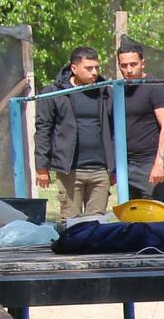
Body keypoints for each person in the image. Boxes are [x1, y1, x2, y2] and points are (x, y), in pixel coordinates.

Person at [34, 46, 115, 218]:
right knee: (71, 223)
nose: (94, 72)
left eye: (96, 67)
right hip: (70, 170)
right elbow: (43, 128)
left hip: (100, 170)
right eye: (88, 68)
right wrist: (42, 167)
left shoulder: (105, 91)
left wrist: (114, 168)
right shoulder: (55, 92)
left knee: (97, 224)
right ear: (74, 69)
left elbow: (115, 130)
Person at [114, 43, 164, 208]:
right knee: (130, 217)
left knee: (154, 216)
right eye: (124, 65)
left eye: (133, 64)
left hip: (150, 164)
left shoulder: (155, 87)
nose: (128, 70)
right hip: (126, 164)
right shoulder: (119, 89)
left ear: (143, 63)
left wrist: (159, 164)